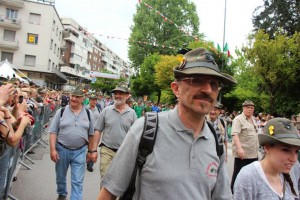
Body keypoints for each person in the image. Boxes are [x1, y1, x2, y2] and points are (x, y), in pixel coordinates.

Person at [97, 47, 237, 200]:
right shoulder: (145, 130)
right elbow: (109, 193)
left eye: (214, 84)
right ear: (176, 89)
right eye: (197, 80)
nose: (208, 89)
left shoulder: (215, 141)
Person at [233, 118, 300, 199]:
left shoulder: (294, 169)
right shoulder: (249, 177)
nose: (294, 159)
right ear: (267, 148)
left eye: (296, 151)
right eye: (286, 150)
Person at [49, 87, 96, 200]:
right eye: (72, 96)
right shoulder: (61, 111)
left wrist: (90, 151)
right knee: (60, 177)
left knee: (77, 181)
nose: (74, 98)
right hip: (61, 150)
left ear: (83, 98)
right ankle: (62, 193)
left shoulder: (89, 114)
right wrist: (52, 150)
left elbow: (91, 135)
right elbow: (53, 132)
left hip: (80, 151)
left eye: (77, 97)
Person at [93, 82, 137, 179]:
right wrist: (94, 150)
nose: (117, 96)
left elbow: (135, 136)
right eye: (115, 93)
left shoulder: (132, 113)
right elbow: (98, 130)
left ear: (127, 96)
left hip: (123, 153)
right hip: (107, 151)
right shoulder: (106, 111)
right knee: (105, 180)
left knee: (119, 183)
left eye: (120, 93)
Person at [231, 99, 259, 192]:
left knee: (252, 174)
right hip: (243, 153)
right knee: (239, 173)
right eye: (248, 107)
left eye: (252, 108)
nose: (250, 109)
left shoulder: (254, 119)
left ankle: (248, 191)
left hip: (253, 153)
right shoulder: (238, 119)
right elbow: (235, 134)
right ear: (243, 108)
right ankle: (234, 192)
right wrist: (239, 149)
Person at [86, 93, 101, 172]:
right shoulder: (85, 109)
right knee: (84, 147)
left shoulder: (98, 109)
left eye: (95, 100)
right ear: (89, 100)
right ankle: (83, 161)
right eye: (93, 100)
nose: (94, 101)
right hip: (85, 131)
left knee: (92, 148)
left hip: (94, 132)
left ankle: (90, 165)